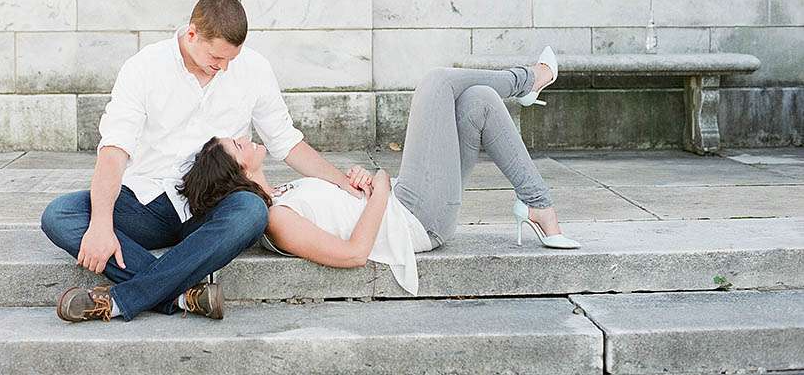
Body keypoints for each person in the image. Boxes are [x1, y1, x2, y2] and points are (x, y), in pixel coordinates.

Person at [40, 0, 365, 322]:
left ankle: (124, 299)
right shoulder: (144, 67)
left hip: (210, 207)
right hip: (145, 203)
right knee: (61, 215)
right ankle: (182, 297)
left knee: (252, 211)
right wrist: (100, 224)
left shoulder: (254, 69)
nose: (223, 67)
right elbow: (114, 151)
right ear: (192, 33)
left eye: (230, 60)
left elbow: (286, 141)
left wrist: (342, 181)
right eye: (216, 57)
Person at [180, 47, 580, 297]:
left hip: (404, 202)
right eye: (236, 145)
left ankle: (537, 207)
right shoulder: (275, 219)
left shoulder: (280, 195)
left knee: (478, 101)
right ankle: (529, 79)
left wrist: (356, 181)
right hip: (418, 219)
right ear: (238, 171)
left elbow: (341, 210)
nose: (242, 138)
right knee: (437, 82)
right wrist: (382, 187)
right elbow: (354, 254)